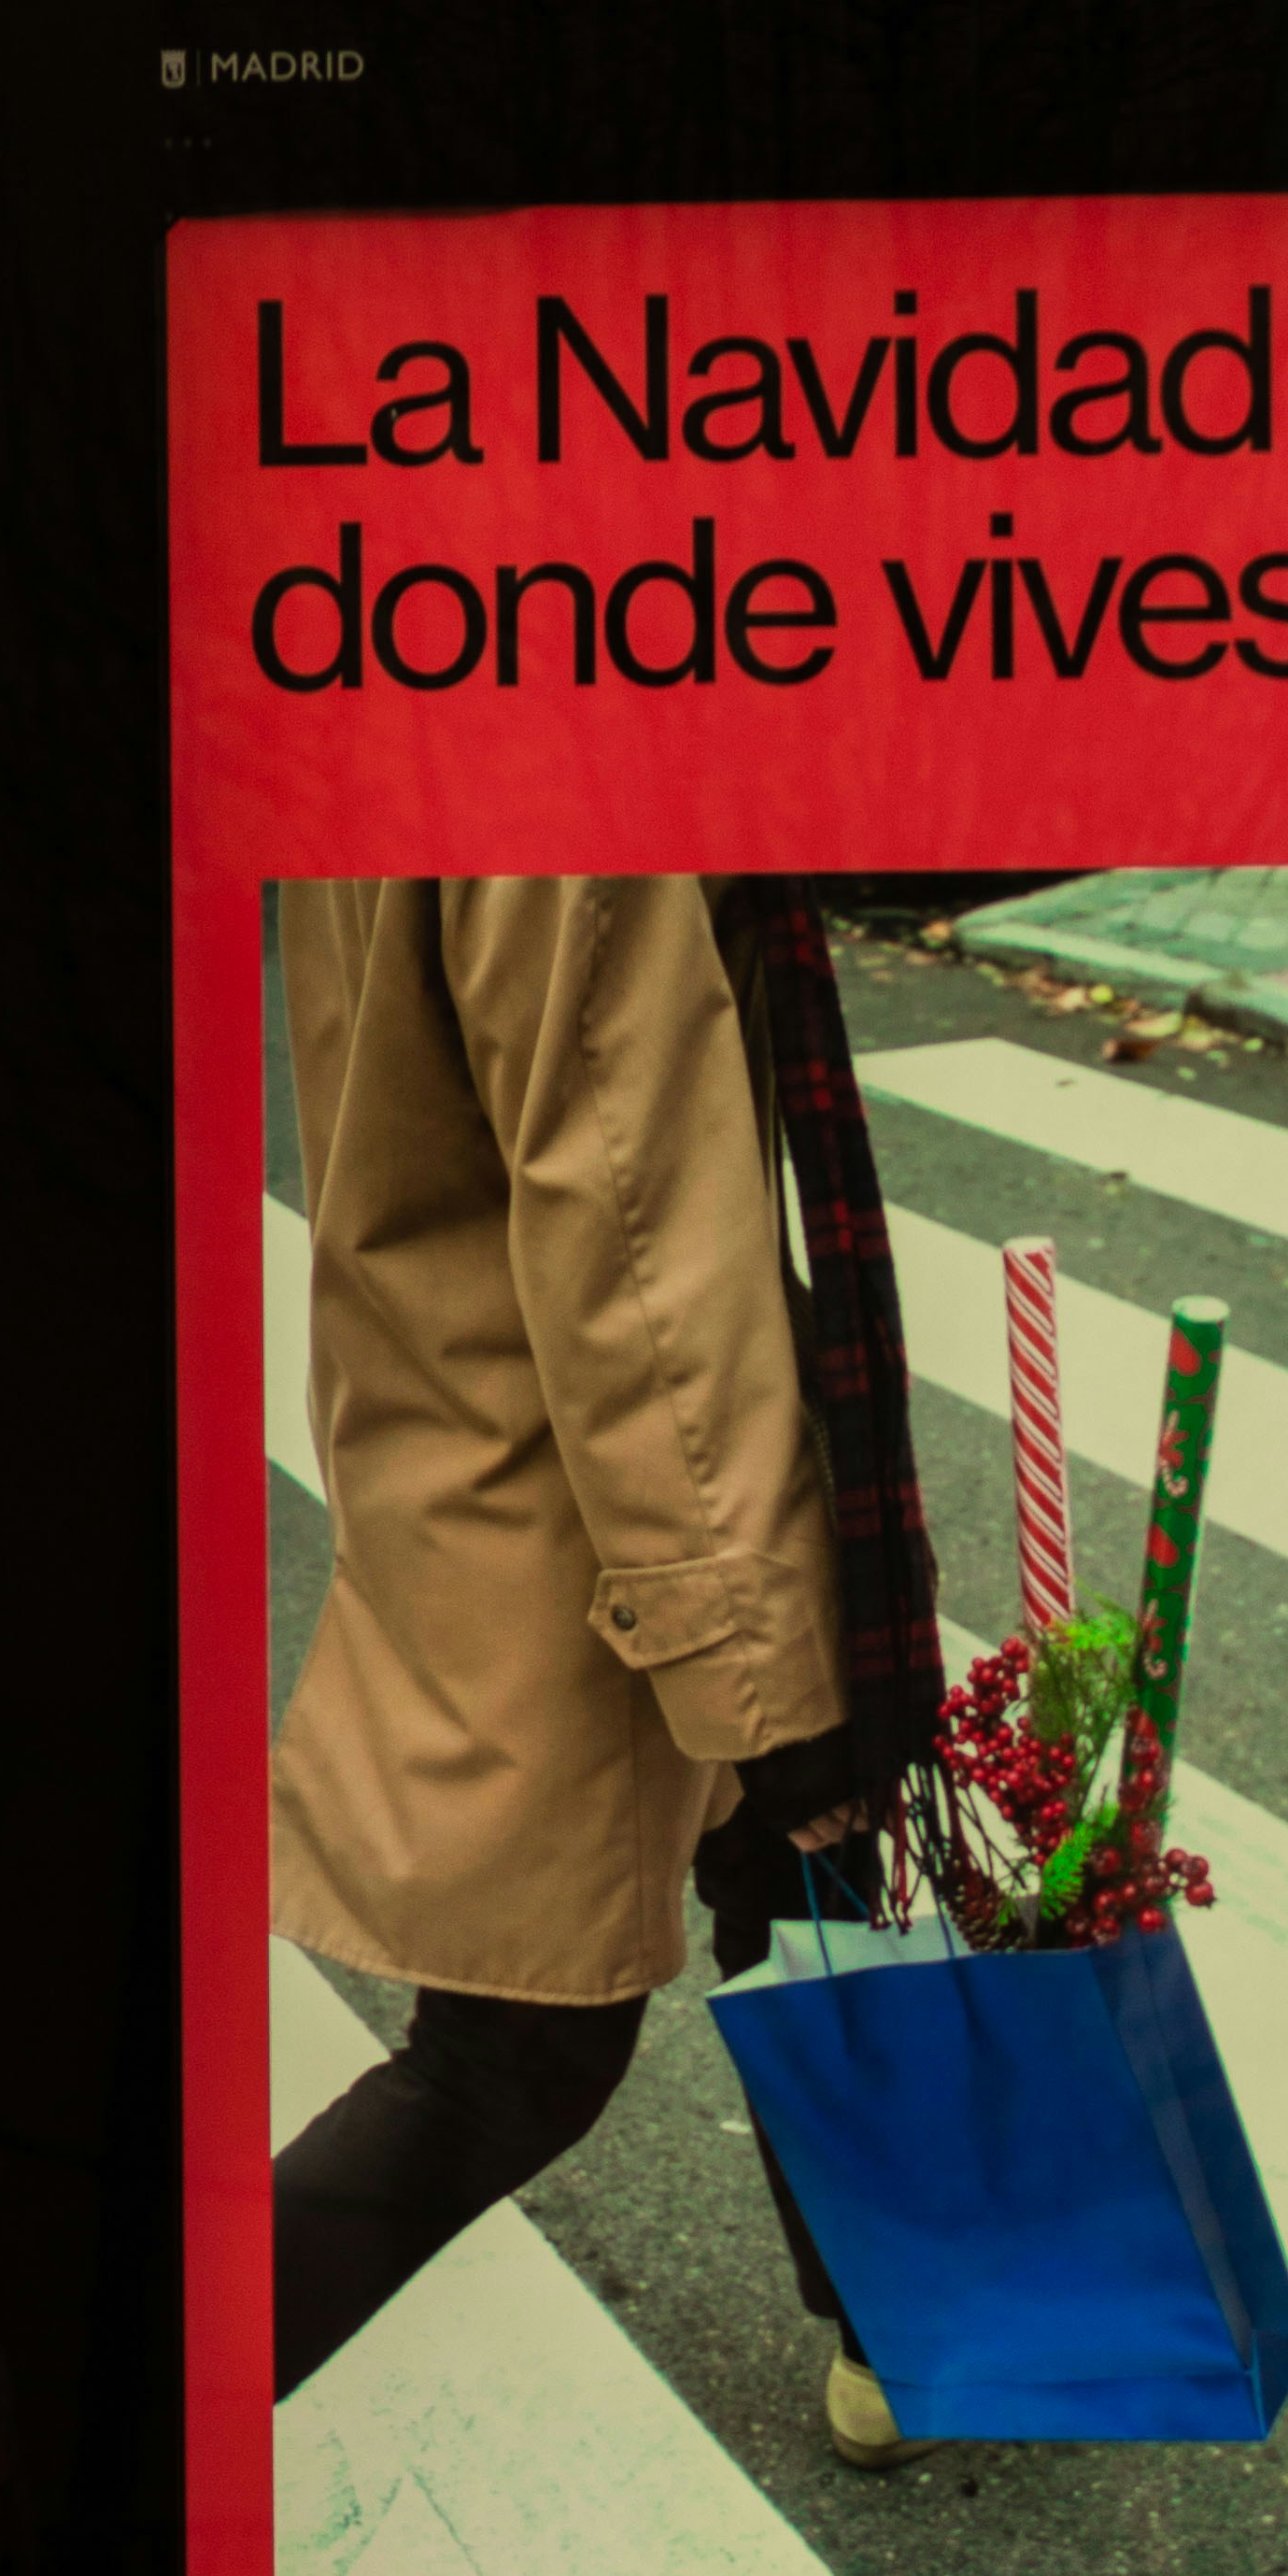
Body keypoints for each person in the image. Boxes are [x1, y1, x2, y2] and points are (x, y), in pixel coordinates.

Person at [264, 871, 949, 2461]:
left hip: (463, 1419)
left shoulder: (381, 744)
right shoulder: (554, 786)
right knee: (510, 2063)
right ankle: (102, 2431)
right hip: (600, 1478)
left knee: (804, 1880)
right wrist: (749, 1651)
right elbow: (630, 1233)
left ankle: (898, 2330)